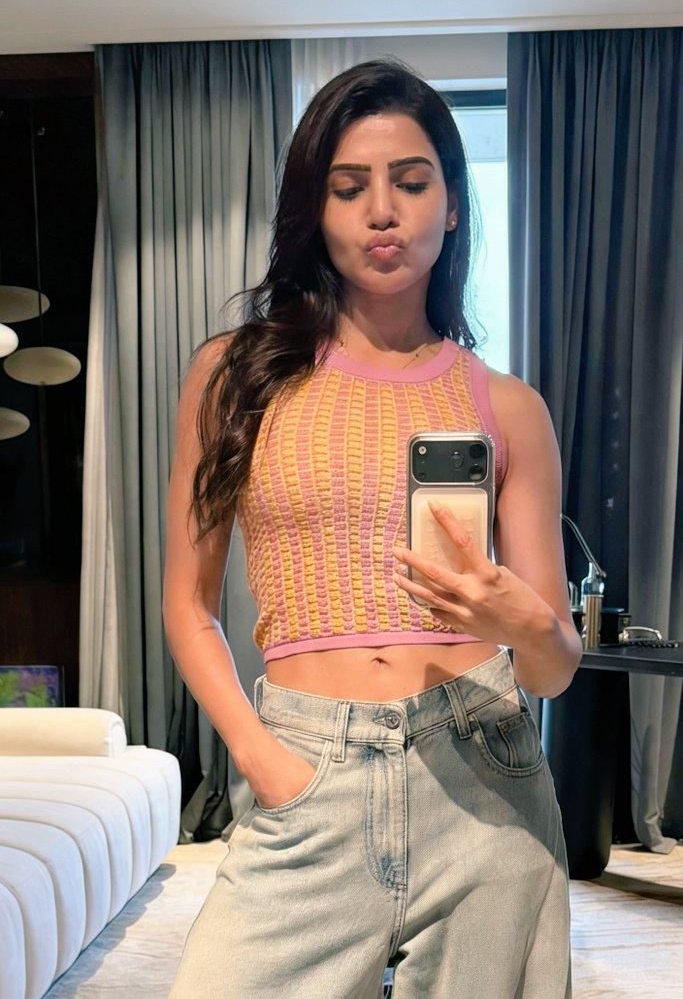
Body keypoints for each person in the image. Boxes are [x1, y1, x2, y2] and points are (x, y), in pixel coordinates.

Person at [164, 57, 580, 999]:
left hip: (483, 772)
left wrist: (521, 623)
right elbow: (187, 605)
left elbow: (551, 667)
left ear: (453, 204)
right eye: (348, 188)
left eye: (411, 182)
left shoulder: (509, 407)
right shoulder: (234, 376)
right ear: (315, 210)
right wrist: (262, 758)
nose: (381, 212)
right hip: (305, 768)